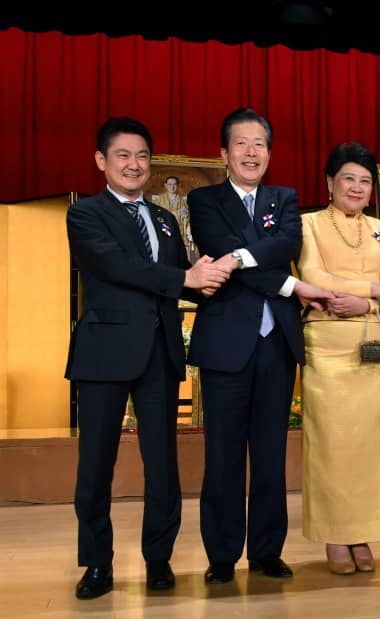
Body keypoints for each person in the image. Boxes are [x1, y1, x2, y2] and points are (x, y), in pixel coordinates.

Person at [66, 117, 231, 599]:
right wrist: (184, 279)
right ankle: (96, 563)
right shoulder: (86, 214)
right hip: (104, 354)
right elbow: (117, 266)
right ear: (102, 161)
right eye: (122, 155)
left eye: (142, 156)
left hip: (160, 353)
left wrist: (225, 278)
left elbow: (183, 276)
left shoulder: (163, 217)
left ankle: (158, 559)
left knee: (163, 465)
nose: (134, 164)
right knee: (95, 464)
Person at [187, 107, 333, 585]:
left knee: (271, 454)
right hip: (227, 343)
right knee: (224, 456)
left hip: (277, 346)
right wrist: (291, 286)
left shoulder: (284, 198)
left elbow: (286, 242)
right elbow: (218, 245)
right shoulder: (203, 199)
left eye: (260, 144)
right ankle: (223, 555)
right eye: (241, 144)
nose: (251, 153)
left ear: (269, 153)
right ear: (223, 153)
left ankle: (268, 550)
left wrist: (239, 256)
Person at [296, 142, 380, 574]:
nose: (357, 187)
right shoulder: (307, 224)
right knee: (332, 445)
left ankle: (363, 533)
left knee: (370, 447)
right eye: (348, 178)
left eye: (365, 181)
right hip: (327, 343)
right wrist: (373, 290)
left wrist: (368, 302)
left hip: (374, 339)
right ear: (329, 182)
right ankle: (335, 536)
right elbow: (313, 276)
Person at [152, 175, 194, 260]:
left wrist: (189, 232)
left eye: (174, 184)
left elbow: (188, 219)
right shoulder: (158, 200)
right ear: (166, 185)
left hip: (179, 234)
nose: (172, 187)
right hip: (163, 234)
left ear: (178, 185)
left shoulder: (183, 202)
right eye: (170, 184)